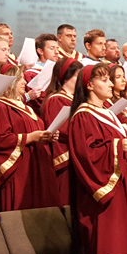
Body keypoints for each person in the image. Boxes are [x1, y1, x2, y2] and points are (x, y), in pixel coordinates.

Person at [68, 63, 127, 254]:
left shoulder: (108, 113)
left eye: (110, 80)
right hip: (107, 193)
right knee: (114, 243)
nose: (111, 84)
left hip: (125, 185)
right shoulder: (83, 116)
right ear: (89, 85)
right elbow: (87, 155)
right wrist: (119, 146)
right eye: (104, 80)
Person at [0, 63, 60, 211]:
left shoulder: (26, 107)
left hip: (37, 164)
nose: (24, 82)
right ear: (8, 82)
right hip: (18, 170)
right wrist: (29, 137)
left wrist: (47, 136)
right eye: (19, 79)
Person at [43, 57, 83, 206]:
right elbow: (62, 129)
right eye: (77, 76)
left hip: (76, 154)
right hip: (66, 155)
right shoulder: (57, 99)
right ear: (66, 77)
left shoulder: (74, 99)